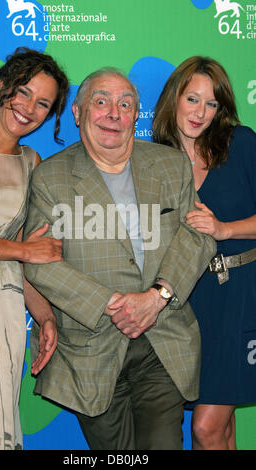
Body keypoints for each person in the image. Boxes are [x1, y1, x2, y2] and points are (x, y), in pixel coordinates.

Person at [23, 66, 216, 450]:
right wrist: (112, 305)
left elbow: (198, 233)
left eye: (125, 104)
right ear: (78, 114)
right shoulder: (50, 178)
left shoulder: (171, 165)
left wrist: (156, 297)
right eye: (101, 102)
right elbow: (38, 260)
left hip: (162, 339)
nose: (114, 113)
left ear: (135, 115)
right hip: (89, 350)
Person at [0, 47, 69, 450]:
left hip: (3, 312)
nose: (29, 109)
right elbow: (21, 251)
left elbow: (28, 254)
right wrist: (22, 251)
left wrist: (45, 318)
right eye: (23, 92)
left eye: (43, 103)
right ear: (2, 86)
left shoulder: (32, 162)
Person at [152, 56, 256, 450]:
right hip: (186, 302)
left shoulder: (241, 143)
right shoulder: (155, 159)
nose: (200, 112)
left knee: (205, 428)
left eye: (211, 104)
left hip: (239, 294)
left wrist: (225, 229)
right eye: (192, 99)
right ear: (173, 98)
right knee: (222, 430)